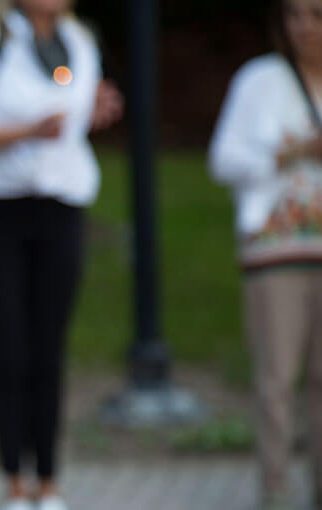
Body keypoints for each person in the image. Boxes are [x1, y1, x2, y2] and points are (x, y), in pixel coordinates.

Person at [0, 1, 123, 509]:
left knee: (49, 347)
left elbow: (69, 119)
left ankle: (51, 480)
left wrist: (93, 110)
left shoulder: (79, 40)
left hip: (59, 208)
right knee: (9, 349)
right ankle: (15, 481)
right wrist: (27, 131)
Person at [209, 0, 322, 507]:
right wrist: (293, 152)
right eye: (295, 14)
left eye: (317, 14)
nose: (304, 26)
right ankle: (275, 495)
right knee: (277, 381)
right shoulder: (261, 80)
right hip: (275, 251)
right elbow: (223, 160)